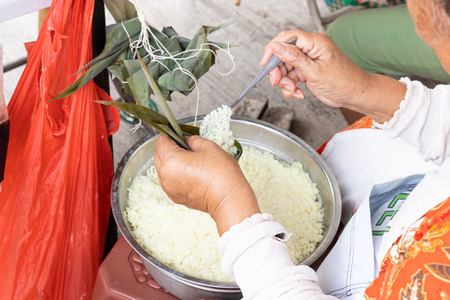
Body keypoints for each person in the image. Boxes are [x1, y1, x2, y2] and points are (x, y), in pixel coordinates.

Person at [154, 0, 450, 298]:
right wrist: (362, 88)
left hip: (384, 265)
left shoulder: (436, 272)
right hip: (409, 200)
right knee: (348, 37)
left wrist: (226, 202)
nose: (412, 11)